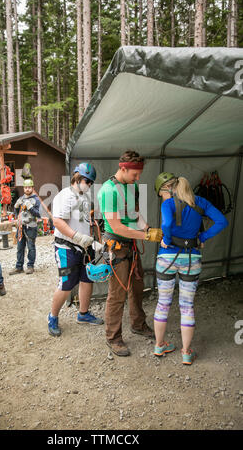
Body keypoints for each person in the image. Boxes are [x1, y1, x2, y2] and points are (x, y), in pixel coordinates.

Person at [153, 172, 228, 365]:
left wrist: (167, 240)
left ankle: (159, 345)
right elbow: (222, 221)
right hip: (191, 257)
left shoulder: (168, 204)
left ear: (170, 189)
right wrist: (201, 238)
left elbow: (167, 223)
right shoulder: (201, 202)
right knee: (187, 306)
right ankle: (186, 352)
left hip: (167, 258)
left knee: (163, 303)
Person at [97, 150, 162, 357]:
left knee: (137, 285)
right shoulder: (108, 191)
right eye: (135, 174)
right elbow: (116, 227)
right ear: (123, 169)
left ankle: (138, 324)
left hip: (131, 243)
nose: (138, 178)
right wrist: (145, 237)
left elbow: (134, 214)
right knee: (117, 294)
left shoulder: (130, 186)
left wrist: (147, 228)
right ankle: (113, 338)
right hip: (116, 244)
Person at [48, 163, 104, 337]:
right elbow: (57, 221)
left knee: (87, 279)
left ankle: (84, 314)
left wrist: (93, 240)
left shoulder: (85, 198)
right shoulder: (65, 196)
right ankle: (53, 317)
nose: (89, 184)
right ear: (77, 177)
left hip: (85, 247)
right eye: (87, 180)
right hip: (67, 247)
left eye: (91, 182)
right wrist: (77, 236)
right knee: (66, 284)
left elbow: (85, 221)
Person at [9, 179, 41, 275]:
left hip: (31, 226)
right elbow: (17, 212)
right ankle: (19, 267)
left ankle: (30, 266)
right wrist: (16, 207)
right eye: (26, 187)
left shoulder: (36, 199)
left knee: (31, 247)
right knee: (20, 247)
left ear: (32, 188)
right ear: (23, 188)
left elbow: (38, 214)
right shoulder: (21, 198)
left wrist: (31, 207)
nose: (27, 189)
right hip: (21, 226)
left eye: (29, 187)